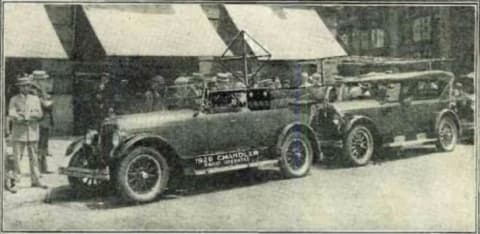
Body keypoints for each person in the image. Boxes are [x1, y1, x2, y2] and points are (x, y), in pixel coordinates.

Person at [8, 76, 47, 189]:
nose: (25, 88)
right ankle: (16, 182)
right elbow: (11, 113)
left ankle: (36, 180)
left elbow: (39, 113)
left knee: (34, 157)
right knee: (17, 158)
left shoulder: (35, 99)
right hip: (19, 133)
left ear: (30, 87)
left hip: (32, 132)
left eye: (27, 85)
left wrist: (28, 116)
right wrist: (19, 117)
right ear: (19, 87)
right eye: (22, 86)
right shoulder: (14, 99)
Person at [31, 71, 54, 174]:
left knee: (44, 144)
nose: (45, 81)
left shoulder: (41, 90)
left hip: (45, 120)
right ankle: (38, 168)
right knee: (39, 144)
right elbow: (45, 104)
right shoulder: (34, 91)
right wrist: (48, 103)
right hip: (39, 120)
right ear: (37, 80)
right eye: (43, 79)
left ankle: (43, 167)